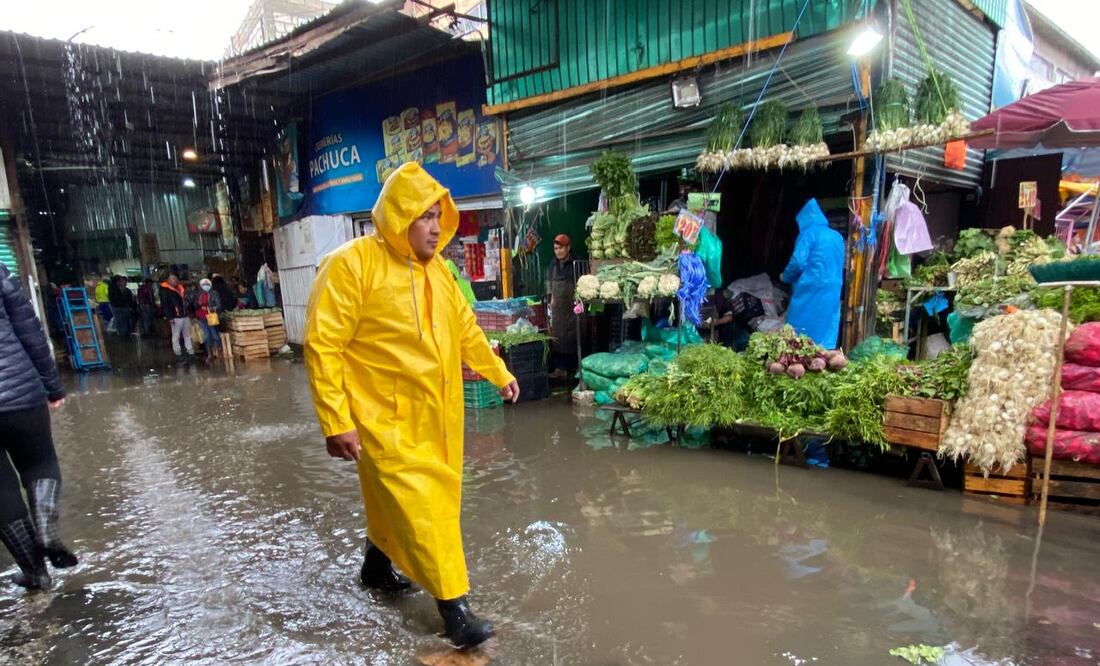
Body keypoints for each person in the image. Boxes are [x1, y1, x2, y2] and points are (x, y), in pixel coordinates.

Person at [304, 162, 519, 649]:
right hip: (382, 418)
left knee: (400, 502)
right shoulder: (351, 264)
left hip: (439, 416)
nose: (436, 227)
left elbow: (466, 329)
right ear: (399, 217)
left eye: (439, 216)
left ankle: (376, 568)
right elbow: (323, 345)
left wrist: (499, 372)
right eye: (423, 217)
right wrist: (336, 420)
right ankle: (455, 608)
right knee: (428, 507)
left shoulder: (439, 271)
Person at [0, 262, 78, 591]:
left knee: (1, 491)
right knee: (40, 462)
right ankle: (45, 530)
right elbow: (30, 332)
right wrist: (53, 386)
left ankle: (36, 573)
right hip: (21, 391)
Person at [780, 198, 845, 349]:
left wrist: (785, 276)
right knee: (828, 322)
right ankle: (825, 354)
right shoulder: (837, 236)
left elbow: (797, 262)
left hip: (811, 286)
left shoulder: (809, 234)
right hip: (834, 286)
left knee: (801, 324)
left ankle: (799, 351)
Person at [547, 234, 579, 379]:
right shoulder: (553, 264)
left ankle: (572, 369)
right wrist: (551, 300)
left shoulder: (575, 263)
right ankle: (559, 369)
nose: (558, 251)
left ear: (568, 248)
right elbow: (551, 285)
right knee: (557, 338)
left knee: (572, 338)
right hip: (557, 308)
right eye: (555, 248)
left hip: (572, 308)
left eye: (561, 248)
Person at [160, 274, 194, 358]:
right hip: (175, 316)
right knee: (176, 335)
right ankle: (177, 352)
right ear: (168, 280)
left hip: (185, 315)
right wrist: (169, 317)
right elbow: (164, 305)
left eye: (175, 279)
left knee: (187, 334)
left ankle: (190, 350)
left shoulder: (180, 288)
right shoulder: (165, 291)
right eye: (173, 279)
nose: (175, 280)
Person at [195, 278, 222, 360]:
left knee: (215, 335)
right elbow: (195, 305)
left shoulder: (214, 293)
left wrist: (208, 308)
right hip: (201, 317)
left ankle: (219, 352)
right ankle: (210, 354)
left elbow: (219, 305)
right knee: (206, 335)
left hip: (211, 316)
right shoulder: (198, 295)